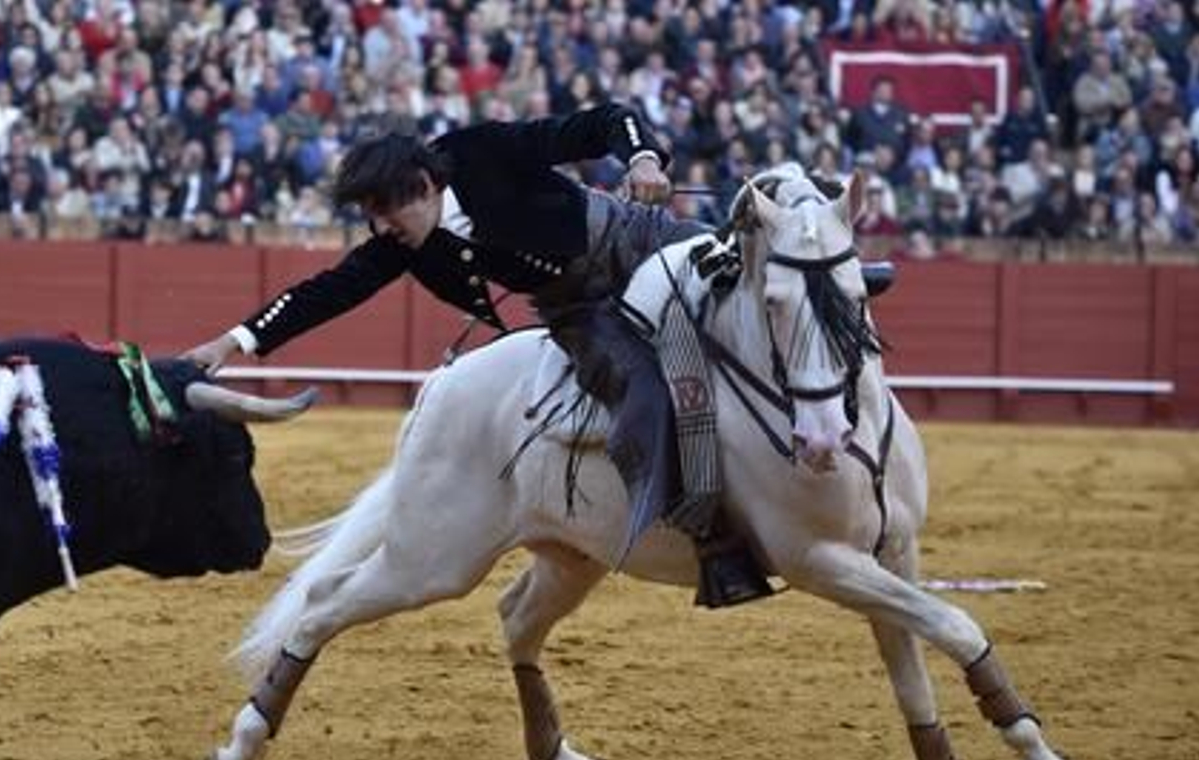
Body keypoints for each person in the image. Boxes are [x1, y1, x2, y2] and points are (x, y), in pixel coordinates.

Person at [182, 102, 769, 607]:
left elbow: (598, 123)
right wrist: (233, 342)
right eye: (372, 216)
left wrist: (641, 158)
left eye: (386, 210)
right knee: (640, 396)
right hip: (583, 314)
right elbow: (327, 292)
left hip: (636, 245)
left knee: (756, 292)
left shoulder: (481, 151)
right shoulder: (403, 245)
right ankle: (712, 538)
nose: (381, 227)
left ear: (421, 181)